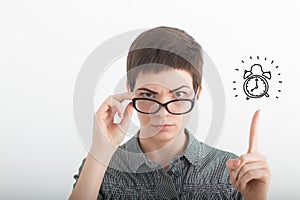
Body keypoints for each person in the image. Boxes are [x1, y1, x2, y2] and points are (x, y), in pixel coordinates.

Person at [69, 26, 271, 200]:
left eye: (179, 94)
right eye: (148, 94)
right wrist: (101, 152)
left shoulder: (230, 171)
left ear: (196, 93)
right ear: (130, 90)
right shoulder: (100, 166)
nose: (163, 113)